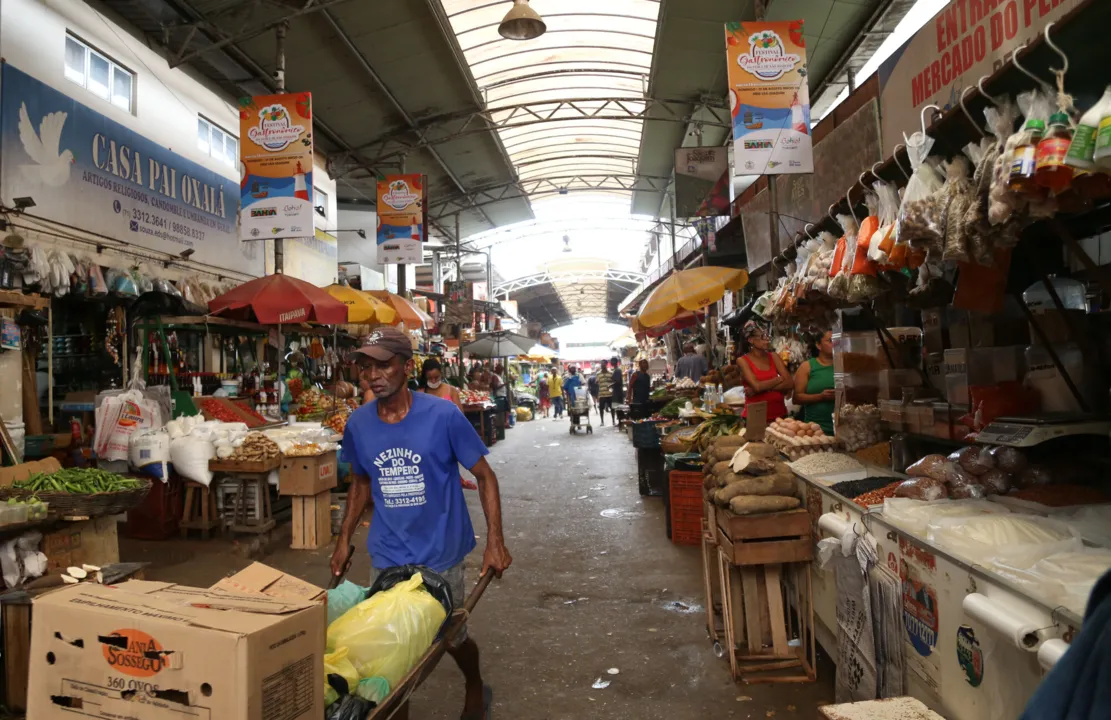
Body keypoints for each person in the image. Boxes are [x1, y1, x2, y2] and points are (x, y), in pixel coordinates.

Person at [333, 327, 511, 720]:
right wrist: (344, 537)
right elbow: (361, 481)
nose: (374, 375)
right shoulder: (359, 424)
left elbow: (485, 476)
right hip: (388, 554)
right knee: (394, 653)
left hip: (441, 552)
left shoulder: (443, 414)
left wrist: (495, 541)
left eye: (384, 365)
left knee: (450, 638)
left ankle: (474, 683)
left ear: (406, 366)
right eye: (367, 367)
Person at [737, 320, 791, 422]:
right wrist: (778, 379)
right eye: (762, 337)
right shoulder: (743, 361)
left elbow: (789, 383)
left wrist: (761, 388)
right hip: (756, 417)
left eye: (767, 336)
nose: (766, 340)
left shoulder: (774, 356)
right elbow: (757, 387)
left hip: (780, 415)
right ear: (751, 340)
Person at [793, 330, 836, 435]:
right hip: (815, 430)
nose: (835, 343)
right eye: (830, 340)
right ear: (818, 345)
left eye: (837, 340)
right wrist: (821, 397)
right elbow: (796, 398)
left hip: (844, 429)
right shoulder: (807, 367)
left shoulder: (846, 364)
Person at [596, 359, 614, 426]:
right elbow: (597, 381)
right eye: (601, 364)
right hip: (602, 394)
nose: (602, 365)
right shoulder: (598, 374)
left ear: (606, 364)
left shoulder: (611, 373)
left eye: (603, 364)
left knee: (612, 408)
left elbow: (613, 382)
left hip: (610, 394)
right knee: (601, 409)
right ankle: (602, 421)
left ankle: (613, 421)